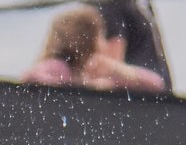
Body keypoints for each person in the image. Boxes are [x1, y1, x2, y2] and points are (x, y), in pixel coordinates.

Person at [21, 6, 165, 92]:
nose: (104, 43)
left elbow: (157, 85)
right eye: (101, 36)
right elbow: (31, 77)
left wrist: (118, 70)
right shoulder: (59, 67)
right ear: (87, 40)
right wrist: (85, 88)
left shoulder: (94, 73)